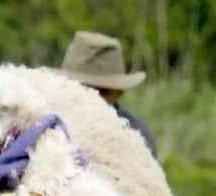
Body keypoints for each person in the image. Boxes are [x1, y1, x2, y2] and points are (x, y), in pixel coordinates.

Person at [52, 30, 157, 158]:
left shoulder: (137, 136)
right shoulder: (45, 125)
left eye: (102, 92)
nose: (92, 97)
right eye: (84, 88)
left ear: (119, 92)